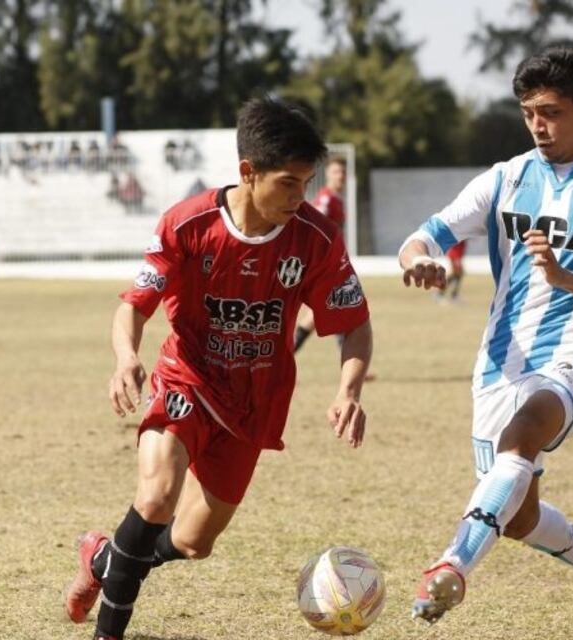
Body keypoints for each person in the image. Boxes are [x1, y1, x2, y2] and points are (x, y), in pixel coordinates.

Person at [63, 97, 373, 640]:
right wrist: (127, 359)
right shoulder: (187, 225)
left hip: (254, 403)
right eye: (288, 184)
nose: (300, 197)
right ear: (247, 172)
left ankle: (104, 559)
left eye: (306, 182)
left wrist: (349, 389)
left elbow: (353, 323)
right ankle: (108, 632)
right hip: (188, 377)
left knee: (191, 542)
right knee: (157, 495)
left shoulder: (316, 239)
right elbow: (133, 306)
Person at [398, 47, 573, 629]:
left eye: (550, 111)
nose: (537, 125)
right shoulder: (506, 178)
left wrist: (568, 279)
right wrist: (418, 259)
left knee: (521, 438)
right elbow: (426, 234)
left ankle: (451, 567)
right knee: (518, 519)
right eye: (527, 113)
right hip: (499, 367)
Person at [293, 156, 347, 352]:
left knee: (327, 310)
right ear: (327, 175)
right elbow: (313, 228)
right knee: (337, 306)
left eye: (342, 172)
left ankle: (284, 357)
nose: (340, 176)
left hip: (329, 263)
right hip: (321, 264)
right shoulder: (326, 199)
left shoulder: (337, 199)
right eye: (335, 172)